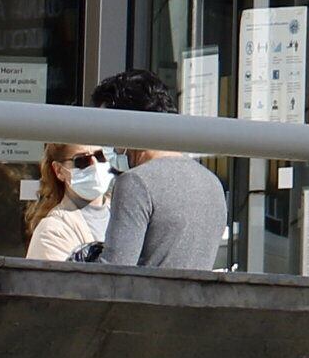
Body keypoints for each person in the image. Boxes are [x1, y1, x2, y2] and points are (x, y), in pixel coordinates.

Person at [86, 67, 227, 270]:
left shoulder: (136, 183)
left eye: (107, 129)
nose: (108, 143)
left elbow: (114, 270)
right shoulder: (212, 183)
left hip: (145, 300)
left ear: (125, 125)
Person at [20, 143, 112, 263]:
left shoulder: (127, 212)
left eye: (101, 156)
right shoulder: (51, 232)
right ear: (59, 170)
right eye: (82, 161)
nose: (95, 165)